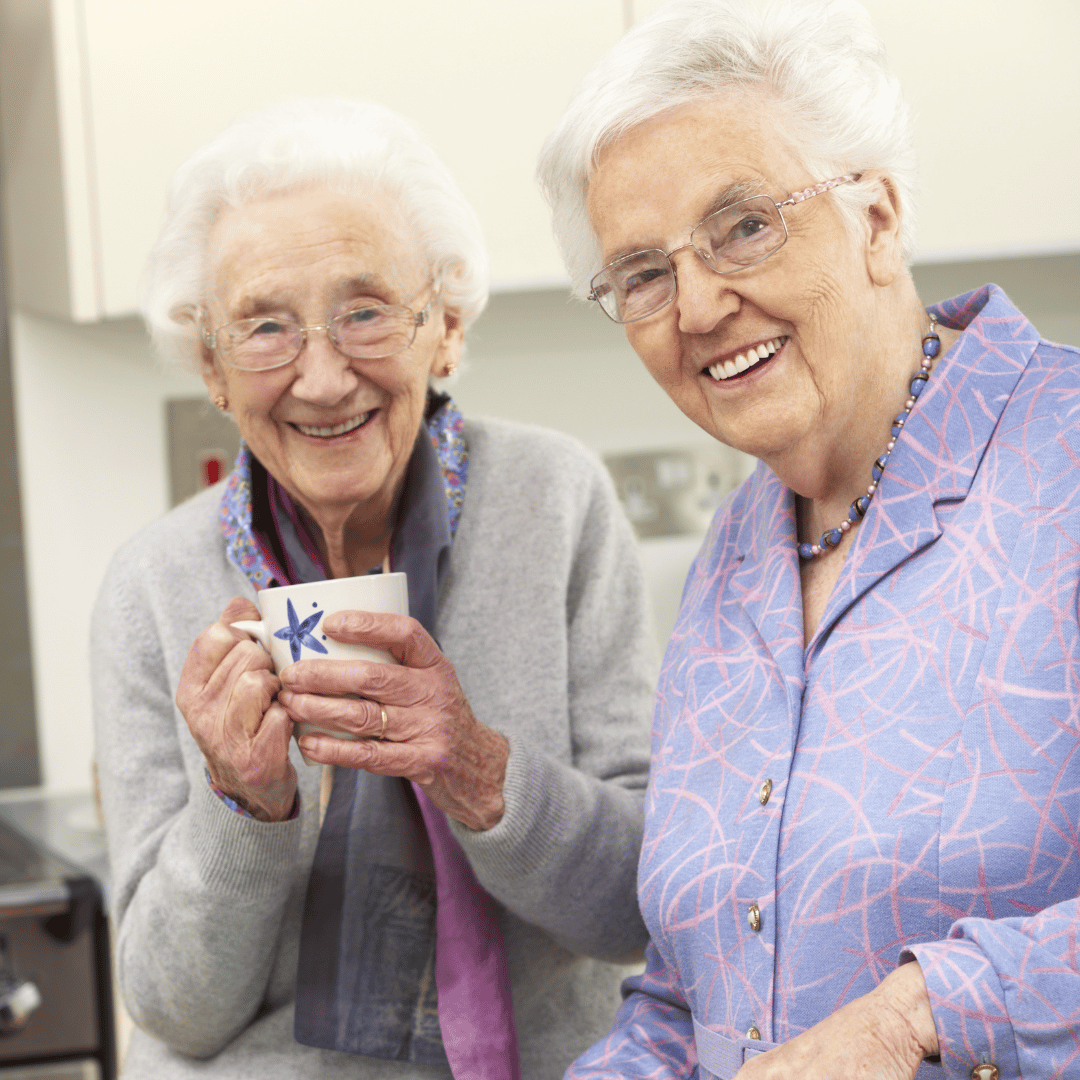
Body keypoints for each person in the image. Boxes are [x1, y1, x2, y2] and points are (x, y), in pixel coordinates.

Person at [537, 1, 1080, 1077]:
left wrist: (918, 1015)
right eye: (644, 274)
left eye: (744, 225)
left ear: (876, 216)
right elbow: (698, 989)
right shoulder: (731, 560)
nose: (696, 306)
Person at [92, 98, 656, 1080]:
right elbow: (171, 1009)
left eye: (364, 311)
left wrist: (481, 771)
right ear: (214, 372)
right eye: (264, 326)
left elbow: (636, 910)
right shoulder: (152, 586)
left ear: (444, 329)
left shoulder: (556, 502)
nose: (320, 376)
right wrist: (245, 807)